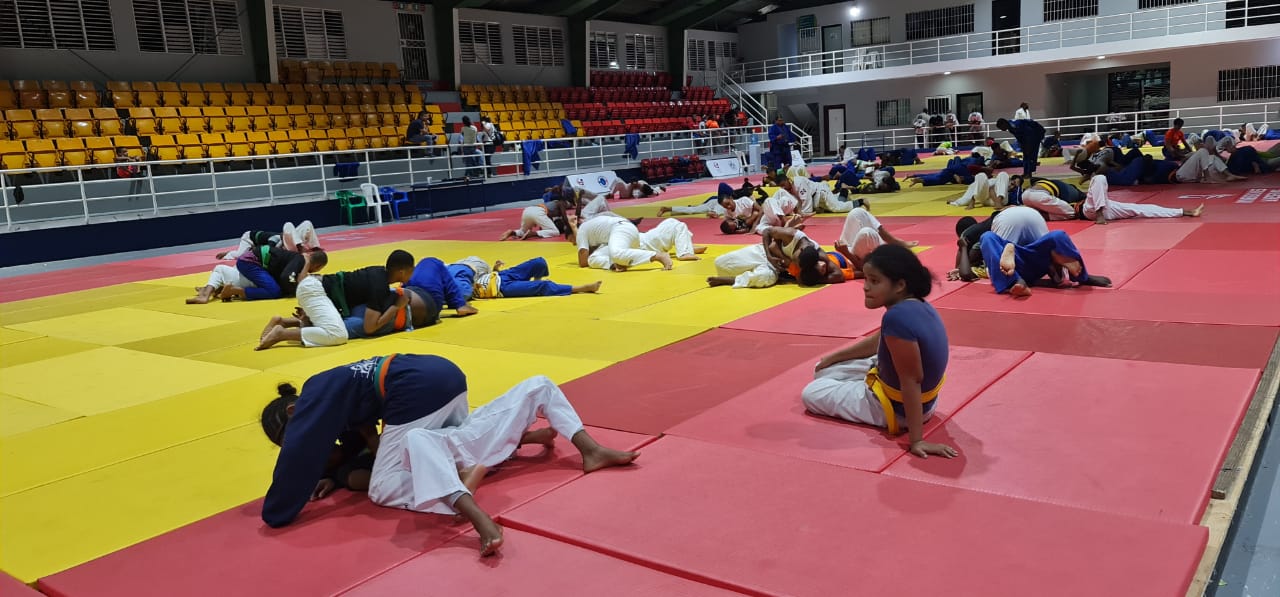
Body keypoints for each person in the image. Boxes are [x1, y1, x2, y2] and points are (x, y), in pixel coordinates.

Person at [259, 355, 638, 556]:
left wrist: (276, 513)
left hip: (413, 392)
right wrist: (327, 475)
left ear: (293, 412)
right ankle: (588, 449)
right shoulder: (334, 393)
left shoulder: (313, 396)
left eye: (287, 437)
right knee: (463, 437)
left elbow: (300, 455)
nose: (297, 440)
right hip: (440, 375)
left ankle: (461, 485)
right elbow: (348, 448)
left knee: (383, 485)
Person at [801, 245, 958, 459]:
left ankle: (876, 402)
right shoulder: (917, 304)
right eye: (866, 279)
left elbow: (912, 380)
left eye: (874, 281)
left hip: (897, 410)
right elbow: (880, 340)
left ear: (899, 285)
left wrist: (917, 440)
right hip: (917, 399)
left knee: (811, 392)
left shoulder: (897, 318)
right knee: (822, 369)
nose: (865, 287)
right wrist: (833, 357)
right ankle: (848, 377)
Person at [980, 230, 1111, 298]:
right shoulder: (1034, 217)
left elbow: (985, 263)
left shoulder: (992, 230)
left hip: (1016, 261)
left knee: (987, 237)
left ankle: (1015, 281)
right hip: (1033, 258)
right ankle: (1082, 276)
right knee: (1058, 236)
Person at [189, 247, 325, 304]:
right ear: (317, 266)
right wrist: (293, 291)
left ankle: (209, 289)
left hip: (251, 261)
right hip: (251, 262)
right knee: (274, 291)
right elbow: (286, 278)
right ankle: (234, 291)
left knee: (227, 273)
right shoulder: (300, 260)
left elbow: (294, 278)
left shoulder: (299, 260)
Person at [255, 271, 348, 351]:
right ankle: (281, 334)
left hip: (315, 287)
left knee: (343, 324)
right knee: (338, 334)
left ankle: (285, 322)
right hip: (315, 288)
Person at [707, 226, 817, 289]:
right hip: (762, 253)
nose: (795, 262)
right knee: (719, 264)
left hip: (773, 270)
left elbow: (803, 279)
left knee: (764, 278)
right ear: (801, 250)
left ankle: (732, 280)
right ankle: (747, 274)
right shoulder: (791, 235)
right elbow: (766, 231)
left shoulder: (814, 259)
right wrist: (769, 256)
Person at [449, 256, 602, 299]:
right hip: (501, 288)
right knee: (544, 286)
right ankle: (582, 288)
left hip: (501, 275)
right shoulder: (456, 281)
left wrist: (495, 269)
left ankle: (533, 285)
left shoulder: (462, 269)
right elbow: (462, 293)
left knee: (539, 262)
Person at [569, 214, 672, 271]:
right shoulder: (590, 231)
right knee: (593, 259)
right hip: (628, 234)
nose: (574, 244)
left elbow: (583, 262)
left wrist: (574, 229)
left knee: (616, 253)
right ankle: (616, 264)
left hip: (621, 229)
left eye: (571, 240)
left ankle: (658, 256)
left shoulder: (581, 230)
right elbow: (587, 259)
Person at [1083, 176, 1203, 224]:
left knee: (1140, 208)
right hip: (1089, 208)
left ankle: (1184, 212)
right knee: (1099, 178)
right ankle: (1099, 214)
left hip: (1106, 207)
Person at [406, 257, 481, 319]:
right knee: (430, 262)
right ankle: (459, 304)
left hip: (421, 302)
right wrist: (459, 304)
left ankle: (459, 304)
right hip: (429, 305)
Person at [217, 222, 321, 260]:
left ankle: (314, 246)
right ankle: (228, 253)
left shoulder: (286, 240)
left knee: (307, 223)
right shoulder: (275, 241)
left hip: (282, 241)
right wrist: (253, 249)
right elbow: (264, 250)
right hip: (249, 238)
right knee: (240, 255)